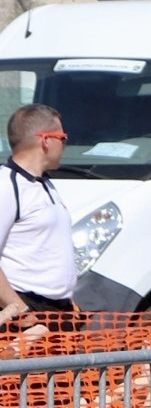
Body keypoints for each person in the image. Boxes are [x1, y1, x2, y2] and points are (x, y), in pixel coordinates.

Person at [0, 104, 78, 326]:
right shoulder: (7, 186)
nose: (64, 145)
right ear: (45, 140)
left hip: (58, 312)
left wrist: (68, 299)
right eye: (62, 138)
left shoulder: (45, 183)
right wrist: (21, 313)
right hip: (27, 313)